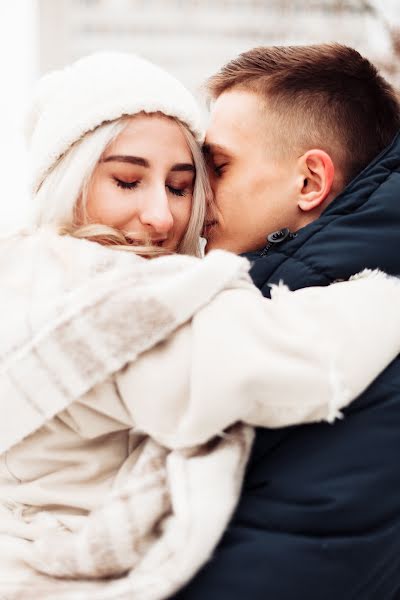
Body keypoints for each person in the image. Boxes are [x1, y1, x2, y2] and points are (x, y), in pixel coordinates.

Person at [0, 50, 399, 599]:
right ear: (71, 177)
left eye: (185, 184)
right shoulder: (81, 283)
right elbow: (281, 359)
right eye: (126, 180)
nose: (164, 216)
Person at [174, 44, 400, 599]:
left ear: (309, 182)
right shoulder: (276, 323)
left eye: (219, 167)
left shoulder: (375, 360)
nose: (198, 196)